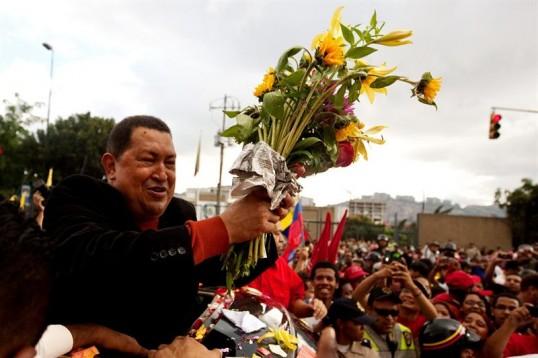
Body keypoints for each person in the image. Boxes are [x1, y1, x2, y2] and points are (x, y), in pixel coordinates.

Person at [42, 116, 293, 348]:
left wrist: (262, 218)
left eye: (170, 163)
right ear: (110, 167)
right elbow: (96, 258)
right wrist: (222, 228)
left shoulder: (180, 212)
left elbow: (224, 271)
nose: (162, 174)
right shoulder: (77, 195)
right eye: (148, 160)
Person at [246, 232, 327, 320]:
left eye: (279, 233)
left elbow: (294, 302)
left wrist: (311, 308)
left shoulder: (282, 266)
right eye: (275, 233)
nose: (281, 239)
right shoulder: (235, 259)